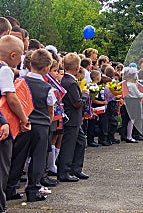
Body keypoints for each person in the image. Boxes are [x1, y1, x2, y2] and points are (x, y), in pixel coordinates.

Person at [11, 49, 55, 202]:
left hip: (23, 123)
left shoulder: (21, 81)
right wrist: (48, 120)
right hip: (41, 125)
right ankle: (33, 190)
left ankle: (10, 187)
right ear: (47, 68)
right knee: (38, 157)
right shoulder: (47, 87)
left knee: (18, 156)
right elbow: (50, 108)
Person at [0, 35, 29, 211]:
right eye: (20, 56)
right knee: (2, 168)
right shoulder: (4, 70)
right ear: (12, 55)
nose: (21, 60)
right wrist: (24, 118)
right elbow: (11, 98)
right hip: (4, 124)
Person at [58, 53, 89, 182]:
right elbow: (77, 103)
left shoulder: (67, 80)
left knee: (81, 142)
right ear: (77, 68)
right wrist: (85, 95)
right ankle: (64, 171)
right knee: (69, 145)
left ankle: (76, 168)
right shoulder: (70, 82)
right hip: (72, 118)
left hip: (74, 119)